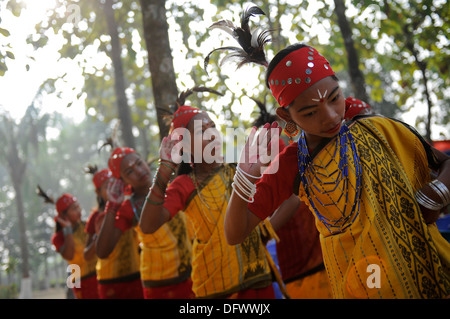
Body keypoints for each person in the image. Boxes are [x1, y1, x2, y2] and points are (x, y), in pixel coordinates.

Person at [222, 39, 450, 299]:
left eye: (334, 97)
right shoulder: (292, 163)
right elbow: (234, 233)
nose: (330, 116)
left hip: (432, 273)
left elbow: (444, 163)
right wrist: (244, 177)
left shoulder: (376, 127)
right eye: (309, 113)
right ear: (286, 117)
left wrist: (437, 192)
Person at [139, 89, 278, 299]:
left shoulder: (238, 169)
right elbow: (148, 225)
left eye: (212, 126)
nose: (212, 134)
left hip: (259, 279)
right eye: (202, 131)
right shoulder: (184, 185)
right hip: (216, 288)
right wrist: (165, 168)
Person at [250, 98, 333, 299]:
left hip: (307, 263)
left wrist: (262, 233)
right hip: (308, 259)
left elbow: (293, 198)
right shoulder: (280, 154)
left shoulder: (279, 153)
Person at [96, 147, 194, 299]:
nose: (139, 170)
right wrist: (112, 206)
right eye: (129, 172)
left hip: (190, 277)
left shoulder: (172, 189)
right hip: (159, 286)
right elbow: (103, 251)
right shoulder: (129, 208)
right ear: (123, 181)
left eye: (139, 163)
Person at [84, 166, 143, 299]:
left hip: (136, 275)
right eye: (107, 187)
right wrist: (99, 236)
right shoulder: (95, 217)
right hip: (109, 281)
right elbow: (87, 255)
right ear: (97, 192)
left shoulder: (129, 207)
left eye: (114, 184)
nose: (113, 189)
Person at [37, 187, 99, 299]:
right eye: (74, 209)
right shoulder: (58, 238)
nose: (79, 211)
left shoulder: (87, 225)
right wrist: (68, 230)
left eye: (78, 206)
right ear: (64, 216)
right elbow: (69, 255)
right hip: (80, 281)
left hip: (99, 275)